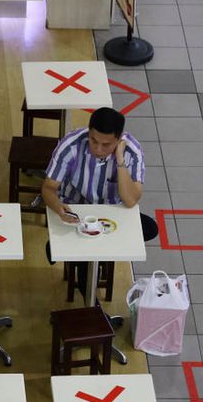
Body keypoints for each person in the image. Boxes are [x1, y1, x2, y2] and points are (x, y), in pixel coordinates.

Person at [42, 107, 158, 290]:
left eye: (106, 145)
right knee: (87, 270)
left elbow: (130, 200)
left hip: (111, 214)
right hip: (78, 210)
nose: (98, 149)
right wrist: (59, 208)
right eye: (93, 141)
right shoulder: (70, 146)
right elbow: (48, 189)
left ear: (119, 140)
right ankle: (91, 272)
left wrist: (119, 160)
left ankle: (77, 249)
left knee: (151, 228)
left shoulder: (132, 152)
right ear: (88, 132)